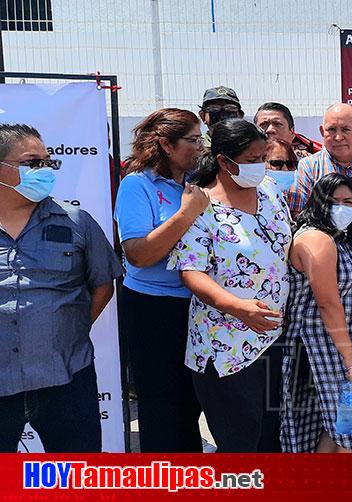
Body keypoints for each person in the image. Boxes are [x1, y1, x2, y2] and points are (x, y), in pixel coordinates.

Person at [168, 118, 291, 452]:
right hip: (226, 346)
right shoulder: (201, 205)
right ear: (224, 161)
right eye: (252, 159)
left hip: (273, 336)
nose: (260, 166)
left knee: (270, 435)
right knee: (239, 440)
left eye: (263, 157)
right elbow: (190, 272)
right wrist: (236, 307)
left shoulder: (269, 192)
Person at [0, 124, 122, 453]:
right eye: (33, 162)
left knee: (76, 477)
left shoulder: (77, 222)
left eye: (48, 162)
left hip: (66, 376)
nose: (46, 170)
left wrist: (68, 328)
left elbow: (102, 284)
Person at [113, 109, 207, 452]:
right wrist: (186, 214)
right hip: (153, 309)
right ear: (166, 145)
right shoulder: (137, 185)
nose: (200, 146)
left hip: (198, 306)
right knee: (161, 406)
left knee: (191, 402)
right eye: (193, 140)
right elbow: (139, 254)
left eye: (202, 139)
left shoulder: (198, 182)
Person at [281, 173, 352, 453]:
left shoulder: (332, 238)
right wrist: (351, 361)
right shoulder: (318, 240)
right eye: (333, 201)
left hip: (333, 345)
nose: (341, 207)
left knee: (337, 428)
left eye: (348, 201)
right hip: (324, 349)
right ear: (317, 202)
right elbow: (328, 303)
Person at [290, 104, 352, 215]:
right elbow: (297, 214)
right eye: (331, 130)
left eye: (346, 130)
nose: (338, 137)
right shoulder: (308, 167)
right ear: (322, 131)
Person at [254, 102, 322, 159]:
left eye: (277, 124)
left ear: (292, 132)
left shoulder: (313, 165)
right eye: (263, 125)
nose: (270, 130)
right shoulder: (244, 163)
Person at [264, 138, 299, 203]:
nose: (285, 169)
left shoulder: (302, 197)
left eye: (290, 164)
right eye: (277, 163)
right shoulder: (257, 196)